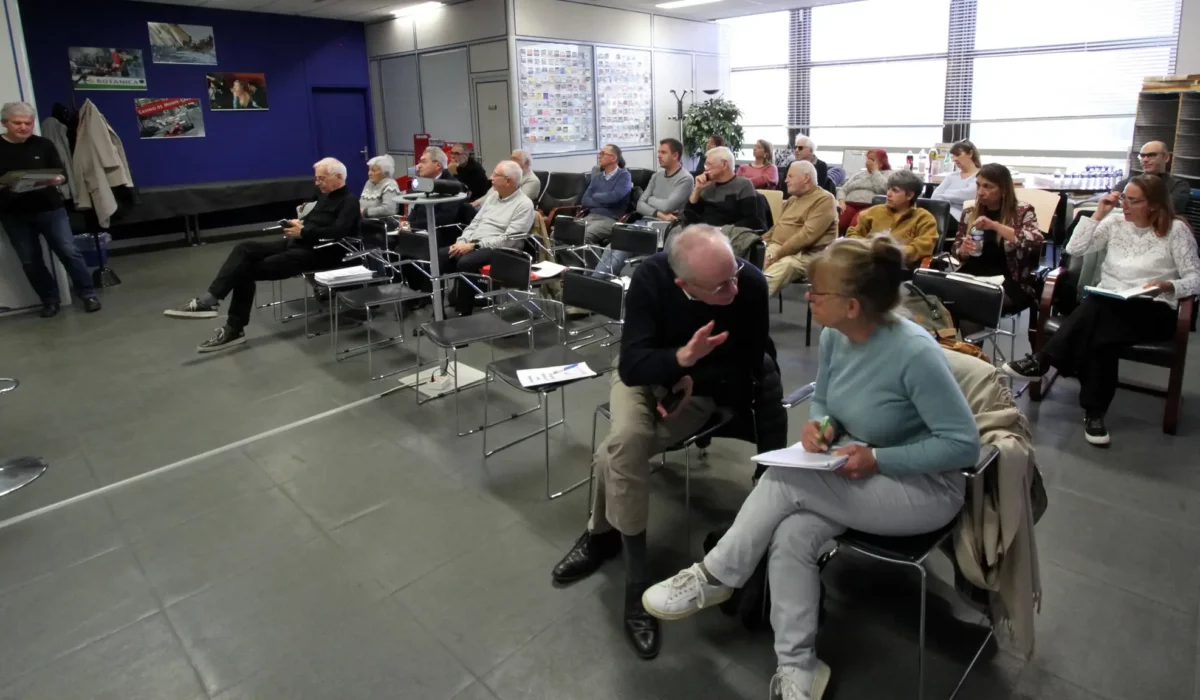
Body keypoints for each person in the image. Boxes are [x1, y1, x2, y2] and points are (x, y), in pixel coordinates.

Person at [639, 236, 979, 700]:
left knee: (784, 478)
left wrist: (880, 458)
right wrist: (821, 425)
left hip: (923, 489)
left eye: (817, 292)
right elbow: (825, 400)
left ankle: (716, 575)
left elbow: (963, 445)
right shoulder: (837, 335)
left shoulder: (915, 353)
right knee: (792, 536)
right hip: (858, 469)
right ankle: (798, 667)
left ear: (852, 305)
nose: (808, 297)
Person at [551, 225, 770, 661]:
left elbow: (750, 361)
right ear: (683, 284)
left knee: (616, 451)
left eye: (733, 275)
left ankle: (607, 546)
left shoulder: (749, 284)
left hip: (702, 391)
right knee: (627, 441)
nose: (733, 288)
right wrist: (680, 359)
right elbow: (632, 365)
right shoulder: (651, 277)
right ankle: (632, 577)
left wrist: (695, 377)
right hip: (644, 379)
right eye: (720, 286)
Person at [1002, 174, 1200, 446]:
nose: (1124, 205)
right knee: (1101, 335)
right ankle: (1094, 413)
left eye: (1133, 201)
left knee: (1097, 311)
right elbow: (1074, 248)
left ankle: (1043, 360)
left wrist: (1168, 286)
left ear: (1154, 204)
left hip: (1153, 310)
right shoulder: (1115, 222)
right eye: (1123, 199)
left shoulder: (1176, 231)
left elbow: (1195, 279)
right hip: (1110, 303)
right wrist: (1098, 214)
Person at [164, 158, 359, 352]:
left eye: (321, 179)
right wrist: (299, 224)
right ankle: (210, 300)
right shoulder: (324, 197)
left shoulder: (349, 202)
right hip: (298, 243)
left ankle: (232, 327)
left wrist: (304, 231)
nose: (317, 183)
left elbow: (338, 232)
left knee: (244, 270)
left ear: (338, 177)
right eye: (316, 178)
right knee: (244, 248)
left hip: (319, 253)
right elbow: (313, 220)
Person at [0, 101, 101, 317]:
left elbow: (62, 173)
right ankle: (50, 300)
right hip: (13, 213)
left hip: (50, 208)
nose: (24, 127)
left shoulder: (43, 144)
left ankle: (88, 294)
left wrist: (57, 179)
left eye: (28, 123)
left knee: (69, 251)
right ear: (5, 123)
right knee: (30, 260)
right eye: (17, 123)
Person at [412, 160, 534, 316]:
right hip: (474, 243)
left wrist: (474, 246)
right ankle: (438, 312)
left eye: (495, 175)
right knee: (440, 256)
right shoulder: (493, 197)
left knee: (466, 262)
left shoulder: (524, 204)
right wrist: (462, 241)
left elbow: (509, 239)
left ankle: (464, 312)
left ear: (508, 181)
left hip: (502, 250)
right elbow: (474, 223)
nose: (491, 178)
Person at [951, 163, 1043, 311]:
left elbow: (1035, 241)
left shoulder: (1022, 212)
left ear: (1004, 189)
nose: (980, 192)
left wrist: (995, 226)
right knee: (940, 293)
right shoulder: (970, 213)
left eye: (988, 187)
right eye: (978, 185)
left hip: (1009, 280)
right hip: (972, 275)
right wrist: (963, 250)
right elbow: (956, 249)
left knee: (970, 301)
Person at [595, 138, 693, 277]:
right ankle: (595, 280)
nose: (659, 155)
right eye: (658, 152)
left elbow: (668, 206)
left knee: (623, 246)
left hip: (664, 228)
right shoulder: (656, 176)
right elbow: (640, 204)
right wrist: (659, 213)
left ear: (675, 155)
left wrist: (650, 199)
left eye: (663, 152)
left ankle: (594, 282)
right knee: (612, 246)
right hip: (645, 222)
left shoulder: (685, 179)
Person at [762, 160, 838, 297]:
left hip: (805, 255)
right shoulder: (792, 200)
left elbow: (806, 236)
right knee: (750, 265)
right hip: (778, 249)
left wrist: (777, 255)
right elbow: (777, 227)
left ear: (806, 178)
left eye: (790, 176)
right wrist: (759, 242)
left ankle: (750, 303)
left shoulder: (824, 199)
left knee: (784, 266)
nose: (786, 180)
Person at [846, 169, 938, 268]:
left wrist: (889, 252)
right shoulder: (872, 212)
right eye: (888, 188)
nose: (888, 194)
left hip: (902, 269)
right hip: (868, 265)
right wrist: (871, 247)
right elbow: (852, 234)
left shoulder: (924, 218)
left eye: (895, 190)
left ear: (910, 195)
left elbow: (920, 248)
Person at [682, 146, 763, 231]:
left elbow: (751, 221)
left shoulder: (743, 184)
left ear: (724, 164)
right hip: (702, 232)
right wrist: (697, 189)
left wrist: (720, 230)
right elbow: (689, 215)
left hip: (728, 234)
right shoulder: (707, 184)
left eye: (709, 164)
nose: (706, 169)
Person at [406, 146, 473, 245]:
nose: (418, 166)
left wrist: (412, 225)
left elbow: (444, 218)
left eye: (423, 162)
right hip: (420, 229)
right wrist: (407, 222)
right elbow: (417, 208)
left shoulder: (452, 186)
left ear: (438, 165)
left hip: (441, 233)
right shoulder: (426, 183)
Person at [1115, 141, 1191, 215]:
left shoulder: (1178, 186)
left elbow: (1168, 209)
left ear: (1166, 157)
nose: (1145, 160)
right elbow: (1113, 200)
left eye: (1151, 155)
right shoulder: (1131, 181)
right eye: (1142, 156)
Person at [579, 144, 633, 246]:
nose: (599, 156)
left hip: (610, 219)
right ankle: (570, 258)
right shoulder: (597, 177)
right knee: (559, 233)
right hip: (591, 216)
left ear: (613, 158)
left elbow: (614, 198)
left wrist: (595, 196)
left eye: (603, 154)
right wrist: (605, 201)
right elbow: (585, 200)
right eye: (599, 153)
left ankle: (596, 257)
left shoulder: (624, 176)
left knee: (583, 236)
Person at [835, 148, 890, 234]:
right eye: (867, 158)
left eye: (872, 159)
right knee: (838, 222)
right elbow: (843, 189)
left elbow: (883, 190)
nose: (868, 161)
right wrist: (841, 201)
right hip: (849, 204)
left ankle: (852, 242)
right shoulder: (858, 175)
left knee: (855, 225)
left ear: (881, 163)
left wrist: (875, 171)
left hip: (868, 206)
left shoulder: (887, 174)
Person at [930, 139, 981, 222]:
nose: (954, 159)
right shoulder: (951, 176)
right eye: (953, 156)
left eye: (957, 154)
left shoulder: (980, 176)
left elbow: (969, 195)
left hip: (960, 217)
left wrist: (944, 195)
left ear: (970, 154)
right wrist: (956, 200)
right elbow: (935, 197)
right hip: (941, 214)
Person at [473, 149, 540, 206]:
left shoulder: (532, 180)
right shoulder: (510, 175)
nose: (511, 162)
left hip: (502, 209)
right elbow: (490, 194)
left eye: (515, 159)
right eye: (511, 159)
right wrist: (476, 202)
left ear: (526, 163)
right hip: (487, 206)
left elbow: (518, 202)